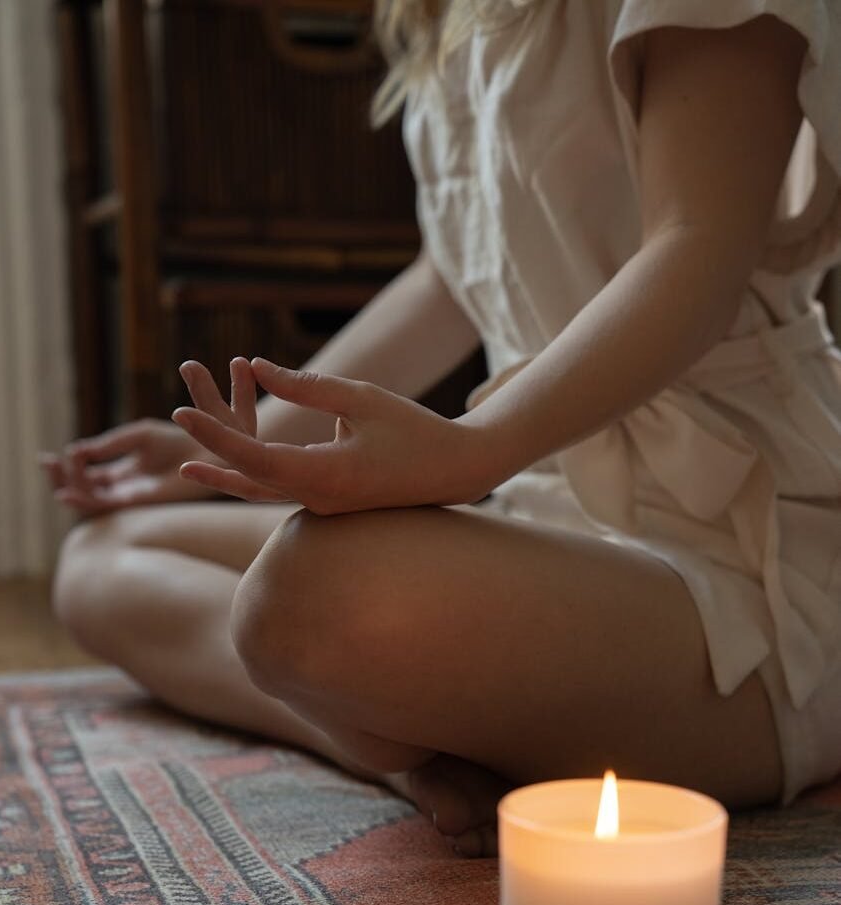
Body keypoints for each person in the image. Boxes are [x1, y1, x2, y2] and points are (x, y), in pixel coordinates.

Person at [43, 0, 841, 857]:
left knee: (307, 595)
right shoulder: (450, 13)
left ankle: (391, 717)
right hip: (542, 512)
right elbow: (452, 280)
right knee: (102, 558)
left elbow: (697, 243)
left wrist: (473, 450)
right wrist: (252, 446)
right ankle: (404, 759)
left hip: (740, 563)